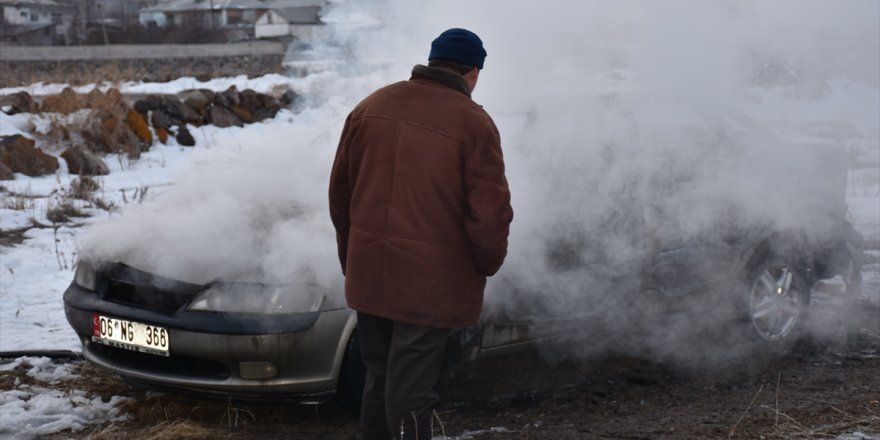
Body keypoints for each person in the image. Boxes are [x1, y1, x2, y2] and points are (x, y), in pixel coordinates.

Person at [329, 28, 513, 440]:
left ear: (431, 62)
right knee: (412, 392)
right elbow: (489, 214)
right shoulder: (474, 123)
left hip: (370, 274)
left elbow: (340, 195)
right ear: (473, 72)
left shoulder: (371, 106)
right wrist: (488, 263)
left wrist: (352, 259)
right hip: (428, 287)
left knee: (378, 379)